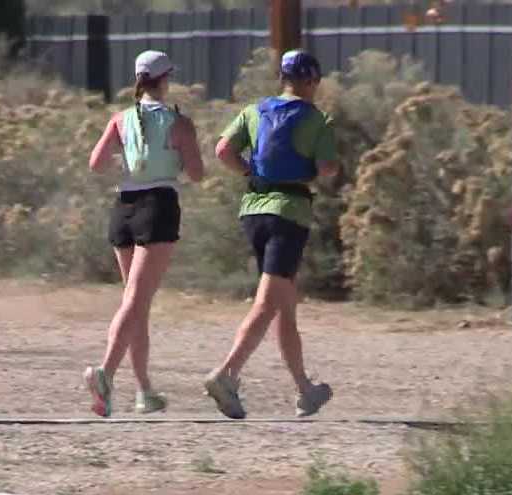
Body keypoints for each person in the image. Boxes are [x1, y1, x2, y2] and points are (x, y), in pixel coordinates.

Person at [204, 49, 338, 419]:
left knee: (284, 306)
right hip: (289, 214)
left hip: (254, 213)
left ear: (282, 78)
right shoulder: (317, 119)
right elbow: (327, 168)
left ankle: (305, 390)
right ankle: (225, 374)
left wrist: (249, 173)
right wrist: (315, 164)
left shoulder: (254, 111)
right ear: (312, 80)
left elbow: (222, 151)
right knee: (267, 303)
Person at [84, 50, 204, 417]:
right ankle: (105, 371)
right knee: (136, 301)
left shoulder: (120, 119)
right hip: (159, 207)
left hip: (124, 207)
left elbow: (97, 163)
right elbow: (197, 173)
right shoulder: (178, 122)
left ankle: (144, 391)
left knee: (137, 304)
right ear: (165, 79)